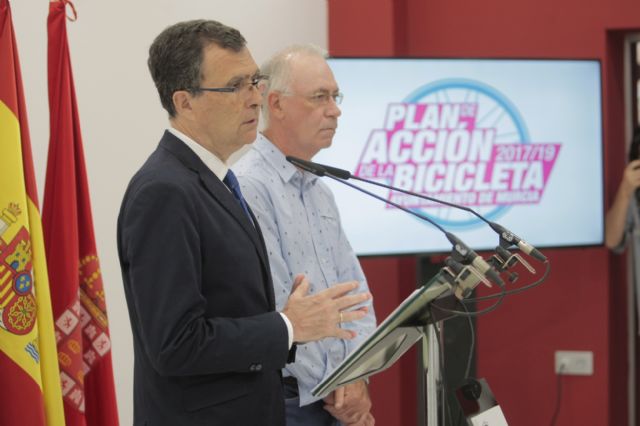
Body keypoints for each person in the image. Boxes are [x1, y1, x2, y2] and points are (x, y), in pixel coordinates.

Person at [117, 21, 371, 426]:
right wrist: (288, 327)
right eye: (236, 86)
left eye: (254, 82)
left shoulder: (216, 181)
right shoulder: (165, 191)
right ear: (185, 102)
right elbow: (174, 345)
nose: (255, 99)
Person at [234, 45, 377, 426]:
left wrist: (357, 374)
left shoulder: (320, 189)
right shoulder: (249, 186)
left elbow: (356, 294)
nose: (334, 110)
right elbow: (278, 305)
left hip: (336, 394)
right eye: (319, 97)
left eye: (335, 97)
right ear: (276, 103)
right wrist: (339, 387)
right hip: (291, 399)